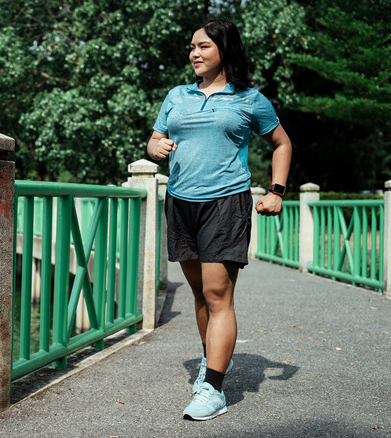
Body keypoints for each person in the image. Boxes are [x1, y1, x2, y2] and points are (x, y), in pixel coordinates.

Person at [147, 18, 292, 421]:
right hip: (180, 202)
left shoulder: (249, 99)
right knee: (199, 294)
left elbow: (282, 143)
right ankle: (212, 364)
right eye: (191, 46)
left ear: (224, 50)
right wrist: (157, 147)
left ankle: (213, 388)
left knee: (217, 295)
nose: (194, 53)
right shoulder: (177, 95)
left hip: (225, 203)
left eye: (203, 47)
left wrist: (276, 192)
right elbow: (155, 137)